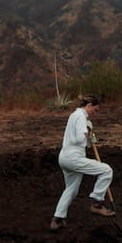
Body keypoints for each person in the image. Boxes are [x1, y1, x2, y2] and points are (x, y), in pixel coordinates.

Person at [50, 94, 115, 231]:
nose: (94, 113)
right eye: (95, 110)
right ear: (89, 105)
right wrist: (87, 132)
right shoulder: (80, 116)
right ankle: (97, 203)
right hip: (74, 158)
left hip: (64, 157)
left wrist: (90, 137)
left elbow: (82, 140)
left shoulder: (74, 115)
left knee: (71, 189)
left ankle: (57, 219)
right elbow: (80, 139)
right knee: (106, 170)